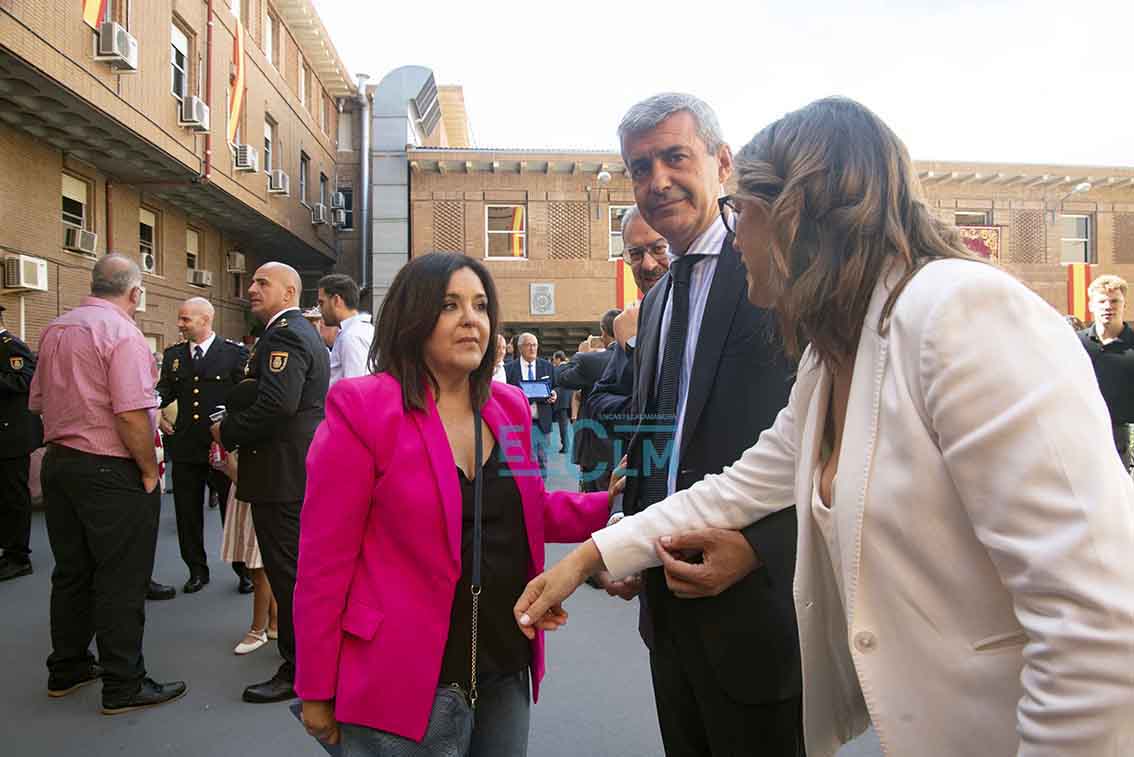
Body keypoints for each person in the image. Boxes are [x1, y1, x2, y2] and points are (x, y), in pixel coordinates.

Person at [516, 97, 1134, 757]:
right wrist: (590, 555)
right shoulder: (832, 356)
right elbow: (739, 485)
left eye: (741, 209)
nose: (734, 232)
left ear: (797, 214)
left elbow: (1093, 622)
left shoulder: (963, 311)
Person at [294, 252, 612, 754]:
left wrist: (609, 506)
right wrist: (315, 687)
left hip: (505, 659)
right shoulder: (363, 408)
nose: (471, 319)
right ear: (413, 316)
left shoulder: (508, 407)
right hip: (400, 675)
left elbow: (530, 507)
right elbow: (323, 563)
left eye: (481, 306)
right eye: (450, 305)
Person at [578, 93, 809, 756]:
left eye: (674, 157)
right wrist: (626, 534)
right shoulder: (655, 305)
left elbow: (829, 439)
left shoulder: (778, 273)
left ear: (722, 162)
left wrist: (760, 548)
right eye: (640, 167)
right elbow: (660, 437)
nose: (657, 181)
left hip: (757, 614)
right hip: (669, 614)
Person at [29, 254, 186, 714]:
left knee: (72, 572)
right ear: (135, 292)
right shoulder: (122, 333)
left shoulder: (55, 329)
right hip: (109, 469)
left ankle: (68, 667)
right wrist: (150, 471)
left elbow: (37, 401)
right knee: (121, 578)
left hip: (60, 464)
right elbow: (132, 414)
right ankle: (124, 684)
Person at [213, 261, 329, 704]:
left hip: (281, 474)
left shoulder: (285, 335)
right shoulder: (293, 333)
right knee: (292, 572)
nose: (251, 288)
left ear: (289, 292)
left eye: (263, 282)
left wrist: (228, 431)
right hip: (288, 471)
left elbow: (279, 405)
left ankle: (300, 668)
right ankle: (305, 660)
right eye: (252, 281)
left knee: (289, 575)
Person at [156, 297, 251, 595]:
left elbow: (246, 395)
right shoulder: (174, 356)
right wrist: (153, 407)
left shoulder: (234, 354)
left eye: (185, 319)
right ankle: (196, 570)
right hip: (186, 446)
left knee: (231, 511)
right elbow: (164, 390)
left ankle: (243, 570)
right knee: (187, 512)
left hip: (222, 445)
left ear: (205, 319)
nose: (179, 324)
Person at [586, 207, 671, 486]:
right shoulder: (638, 317)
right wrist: (637, 410)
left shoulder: (700, 312)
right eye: (635, 254)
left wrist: (634, 345)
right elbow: (598, 401)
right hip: (643, 478)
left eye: (659, 249)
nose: (647, 264)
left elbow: (675, 405)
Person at [212, 439, 279, 655]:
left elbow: (240, 474)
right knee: (261, 563)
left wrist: (227, 452)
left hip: (257, 490)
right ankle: (274, 621)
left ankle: (258, 629)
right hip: (255, 488)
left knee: (258, 564)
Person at [0, 304, 43, 582]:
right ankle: (7, 549)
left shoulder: (11, 345)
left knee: (13, 496)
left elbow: (27, 380)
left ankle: (18, 557)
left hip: (12, 436)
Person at [557, 309, 621, 492]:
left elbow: (561, 377)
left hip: (595, 448)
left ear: (603, 332)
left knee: (596, 500)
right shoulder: (641, 358)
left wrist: (580, 354)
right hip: (629, 445)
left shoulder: (591, 361)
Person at [1077, 274, 1134, 468]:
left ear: (1124, 305)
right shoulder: (1075, 343)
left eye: (1115, 301)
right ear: (1091, 306)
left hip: (1117, 435)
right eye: (1101, 301)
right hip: (1078, 430)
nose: (1108, 306)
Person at [504, 333, 557, 479]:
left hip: (541, 422)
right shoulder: (509, 369)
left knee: (542, 461)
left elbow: (556, 386)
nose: (532, 348)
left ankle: (541, 491)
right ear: (520, 347)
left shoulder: (547, 367)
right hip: (518, 423)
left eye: (535, 345)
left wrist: (555, 393)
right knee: (520, 462)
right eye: (528, 345)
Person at [317, 273, 374, 386]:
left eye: (322, 303)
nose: (319, 310)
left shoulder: (352, 336)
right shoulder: (356, 331)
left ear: (336, 300)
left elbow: (355, 387)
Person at [550, 350, 573, 453]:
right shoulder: (572, 367)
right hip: (572, 399)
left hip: (561, 399)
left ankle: (565, 446)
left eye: (554, 359)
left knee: (563, 425)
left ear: (558, 359)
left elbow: (554, 383)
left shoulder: (556, 370)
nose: (554, 361)